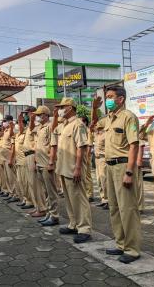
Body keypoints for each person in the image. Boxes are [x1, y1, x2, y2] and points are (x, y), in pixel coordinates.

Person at [92, 86, 141, 264]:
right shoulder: (110, 119)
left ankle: (132, 249)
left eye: (111, 97)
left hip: (122, 166)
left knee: (127, 209)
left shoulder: (128, 117)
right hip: (109, 166)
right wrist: (94, 108)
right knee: (114, 208)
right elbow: (94, 124)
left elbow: (134, 145)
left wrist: (129, 172)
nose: (108, 100)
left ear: (121, 99)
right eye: (107, 97)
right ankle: (120, 243)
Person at [54, 98, 92, 244]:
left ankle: (84, 229)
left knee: (79, 199)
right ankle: (73, 224)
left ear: (69, 108)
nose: (59, 110)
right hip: (64, 167)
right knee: (69, 199)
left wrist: (77, 168)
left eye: (62, 107)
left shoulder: (78, 125)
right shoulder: (64, 125)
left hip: (73, 168)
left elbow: (81, 147)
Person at [33, 106, 60, 226]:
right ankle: (49, 213)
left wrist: (51, 162)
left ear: (45, 115)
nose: (38, 117)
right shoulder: (39, 128)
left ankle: (54, 216)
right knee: (45, 191)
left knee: (51, 191)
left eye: (40, 115)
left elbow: (53, 145)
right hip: (39, 163)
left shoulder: (50, 127)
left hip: (46, 163)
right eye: (38, 115)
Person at [23, 106, 46, 214]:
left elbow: (33, 130)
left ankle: (41, 208)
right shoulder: (29, 125)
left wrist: (32, 119)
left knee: (36, 184)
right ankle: (37, 207)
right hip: (27, 155)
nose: (26, 115)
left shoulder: (37, 124)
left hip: (33, 155)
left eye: (28, 113)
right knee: (31, 183)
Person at [14, 114, 34, 208]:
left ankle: (30, 201)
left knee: (26, 182)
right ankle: (25, 199)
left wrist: (20, 120)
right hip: (18, 160)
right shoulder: (18, 134)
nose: (18, 125)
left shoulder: (26, 131)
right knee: (20, 182)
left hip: (24, 160)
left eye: (20, 123)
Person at [81, 116, 95, 202]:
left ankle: (90, 194)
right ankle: (85, 193)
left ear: (86, 122)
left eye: (82, 121)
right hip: (82, 156)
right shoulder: (81, 130)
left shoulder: (88, 130)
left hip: (87, 156)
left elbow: (89, 145)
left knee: (87, 176)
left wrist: (87, 157)